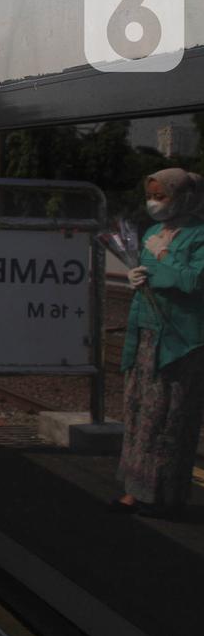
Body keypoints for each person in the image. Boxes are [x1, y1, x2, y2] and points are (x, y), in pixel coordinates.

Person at [113, 167, 204, 518]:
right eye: (150, 196)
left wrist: (164, 258)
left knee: (168, 418)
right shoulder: (152, 231)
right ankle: (134, 489)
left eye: (161, 196)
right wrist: (135, 277)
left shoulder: (199, 235)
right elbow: (147, 273)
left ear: (184, 197)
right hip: (147, 333)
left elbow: (194, 280)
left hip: (181, 342)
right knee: (140, 413)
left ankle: (163, 495)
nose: (153, 203)